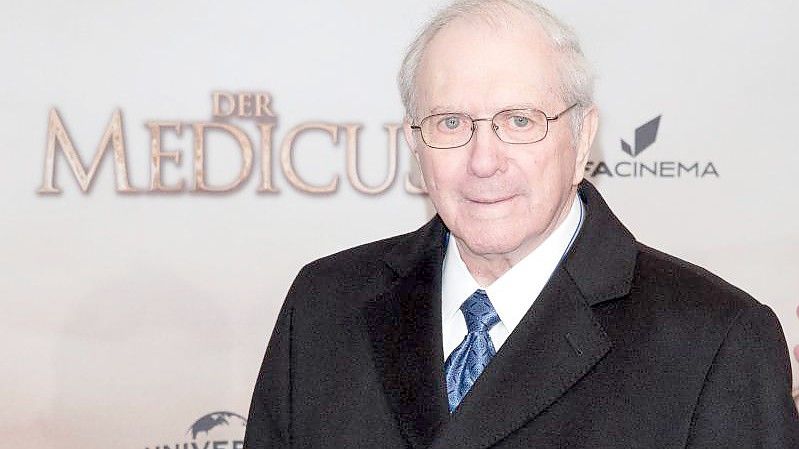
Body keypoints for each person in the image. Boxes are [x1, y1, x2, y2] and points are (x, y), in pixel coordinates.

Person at [244, 1, 799, 448]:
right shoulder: (322, 306)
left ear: (582, 137)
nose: (484, 159)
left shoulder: (718, 340)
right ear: (416, 144)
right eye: (451, 121)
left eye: (519, 120)